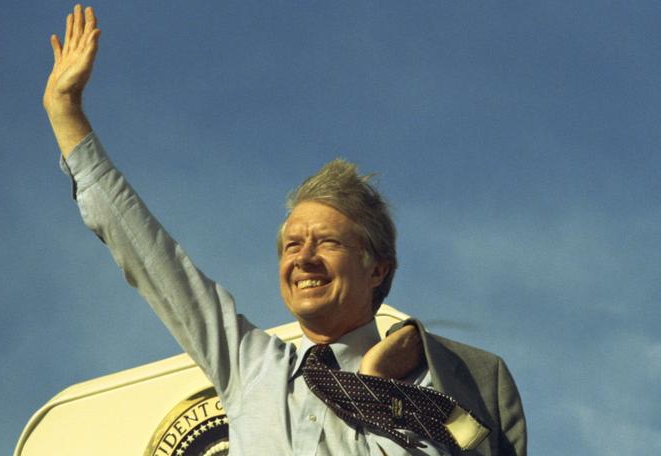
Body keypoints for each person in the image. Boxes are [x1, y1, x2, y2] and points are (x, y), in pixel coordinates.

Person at [43, 5, 526, 455]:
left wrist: (375, 387)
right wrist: (67, 116)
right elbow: (153, 260)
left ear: (377, 269)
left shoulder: (442, 380)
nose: (304, 258)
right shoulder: (253, 367)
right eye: (292, 245)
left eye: (328, 242)